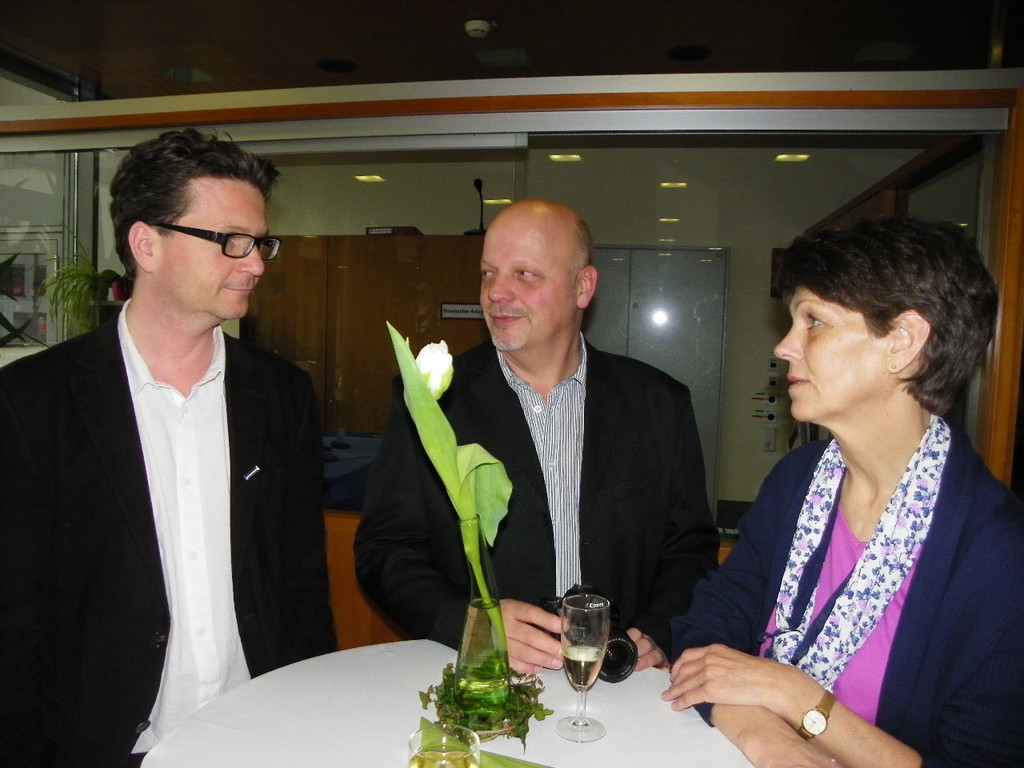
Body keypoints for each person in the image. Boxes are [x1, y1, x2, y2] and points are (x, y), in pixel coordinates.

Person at [0, 128, 336, 768]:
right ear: (146, 244)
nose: (256, 264)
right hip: (107, 746)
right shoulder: (33, 402)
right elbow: (14, 618)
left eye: (261, 242)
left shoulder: (281, 395)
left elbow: (300, 585)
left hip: (263, 733)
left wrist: (312, 720)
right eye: (230, 240)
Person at [663, 216, 1024, 768]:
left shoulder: (999, 555)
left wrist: (797, 696)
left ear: (902, 342)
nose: (785, 346)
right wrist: (770, 739)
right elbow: (705, 630)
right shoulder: (798, 480)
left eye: (814, 321)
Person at [355, 198, 719, 675]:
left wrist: (654, 633)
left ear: (582, 286)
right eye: (488, 273)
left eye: (524, 274)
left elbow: (689, 547)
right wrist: (471, 622)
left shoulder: (657, 404)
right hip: (488, 680)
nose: (496, 293)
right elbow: (385, 549)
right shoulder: (434, 401)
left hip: (620, 681)